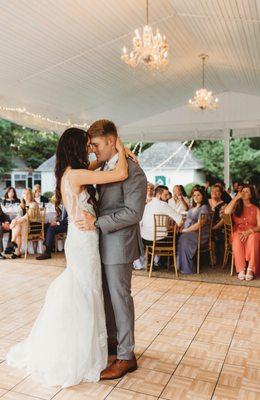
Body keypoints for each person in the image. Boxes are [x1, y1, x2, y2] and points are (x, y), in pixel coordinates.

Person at [6, 127, 133, 388]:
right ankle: (81, 352)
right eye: (86, 145)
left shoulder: (70, 173)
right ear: (77, 148)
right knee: (87, 290)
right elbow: (119, 173)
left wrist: (118, 151)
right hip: (84, 239)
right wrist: (119, 146)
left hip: (82, 238)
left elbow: (100, 163)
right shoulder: (75, 175)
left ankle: (86, 346)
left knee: (86, 289)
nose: (90, 149)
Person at [76, 119, 147, 381]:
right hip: (102, 244)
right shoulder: (108, 166)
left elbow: (134, 212)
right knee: (106, 298)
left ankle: (127, 357)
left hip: (120, 244)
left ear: (110, 141)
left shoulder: (134, 171)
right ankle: (115, 345)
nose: (93, 150)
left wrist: (98, 223)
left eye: (95, 145)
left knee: (120, 299)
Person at [224, 185, 260, 281]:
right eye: (242, 191)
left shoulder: (256, 209)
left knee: (255, 237)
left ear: (251, 195)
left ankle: (251, 269)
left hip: (252, 231)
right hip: (238, 231)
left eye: (247, 191)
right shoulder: (236, 206)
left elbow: (259, 226)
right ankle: (241, 269)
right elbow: (226, 212)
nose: (244, 193)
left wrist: (250, 231)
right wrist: (235, 198)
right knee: (236, 237)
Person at [178, 187, 210, 274]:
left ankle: (187, 269)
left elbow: (199, 224)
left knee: (184, 238)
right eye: (194, 195)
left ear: (203, 196)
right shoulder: (192, 207)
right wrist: (182, 227)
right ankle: (181, 265)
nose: (196, 197)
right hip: (190, 232)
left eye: (198, 195)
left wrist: (186, 230)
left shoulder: (204, 208)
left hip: (200, 233)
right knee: (179, 237)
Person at [6, 188, 38, 259]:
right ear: (22, 195)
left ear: (31, 195)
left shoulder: (33, 204)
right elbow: (19, 216)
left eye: (28, 193)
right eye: (24, 194)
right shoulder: (21, 205)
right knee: (17, 225)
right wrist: (14, 221)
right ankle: (17, 251)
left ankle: (12, 243)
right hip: (23, 226)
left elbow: (27, 217)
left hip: (33, 226)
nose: (26, 195)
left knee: (17, 225)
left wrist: (15, 222)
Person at [209, 185, 226, 265]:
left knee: (213, 233)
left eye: (216, 191)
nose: (214, 192)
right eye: (212, 190)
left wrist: (213, 228)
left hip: (218, 228)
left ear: (220, 193)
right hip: (205, 226)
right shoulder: (206, 202)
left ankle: (213, 256)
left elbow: (223, 220)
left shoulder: (224, 205)